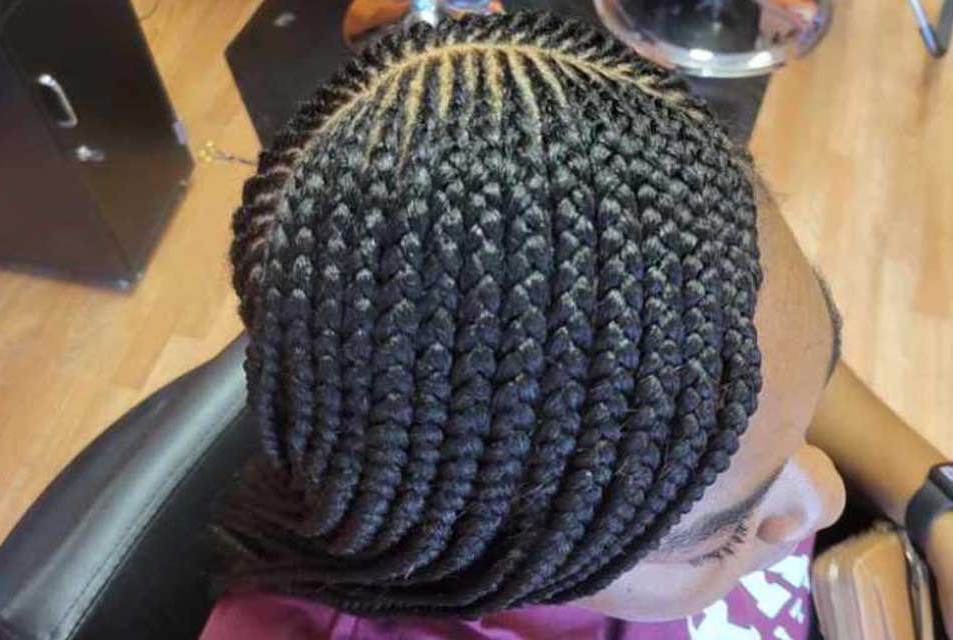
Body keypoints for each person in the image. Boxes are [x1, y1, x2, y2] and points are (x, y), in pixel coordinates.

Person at [202, 11, 952, 639]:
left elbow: (774, 374)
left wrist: (936, 505)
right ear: (494, 554)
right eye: (723, 533)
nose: (826, 494)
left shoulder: (724, 400)